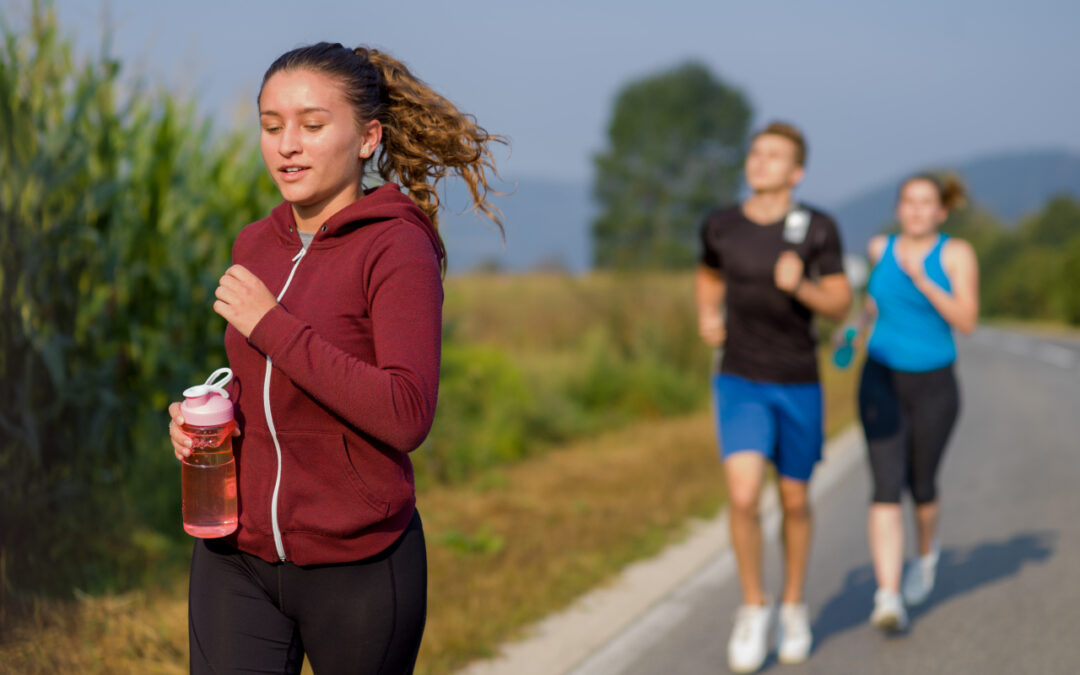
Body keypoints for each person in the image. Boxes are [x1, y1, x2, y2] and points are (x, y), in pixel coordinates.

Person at [167, 42, 504, 674]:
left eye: (312, 126)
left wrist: (272, 324)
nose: (287, 145)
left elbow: (406, 413)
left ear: (368, 137)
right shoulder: (255, 243)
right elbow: (261, 384)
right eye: (271, 127)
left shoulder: (396, 246)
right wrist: (207, 421)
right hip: (236, 554)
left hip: (359, 563)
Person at [697, 121, 852, 673]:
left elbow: (839, 304)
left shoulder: (817, 229)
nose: (759, 162)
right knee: (743, 497)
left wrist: (802, 286)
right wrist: (707, 314)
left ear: (796, 172)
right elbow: (709, 275)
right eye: (756, 152)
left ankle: (792, 605)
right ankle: (753, 608)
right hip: (739, 378)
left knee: (792, 500)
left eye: (773, 155)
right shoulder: (721, 225)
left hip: (798, 381)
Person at [848, 173, 978, 632]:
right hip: (880, 377)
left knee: (921, 485)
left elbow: (966, 320)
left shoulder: (957, 254)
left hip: (935, 385)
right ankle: (887, 595)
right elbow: (874, 304)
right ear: (899, 207)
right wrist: (853, 333)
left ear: (941, 212)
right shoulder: (880, 249)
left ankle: (925, 556)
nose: (917, 210)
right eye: (909, 201)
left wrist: (924, 281)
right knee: (886, 485)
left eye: (927, 203)